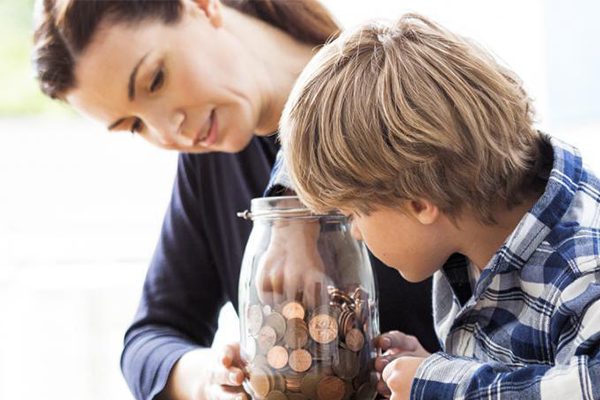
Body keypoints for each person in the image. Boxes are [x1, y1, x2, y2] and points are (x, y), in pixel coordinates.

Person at [32, 1, 440, 399]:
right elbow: (149, 340)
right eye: (134, 125)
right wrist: (209, 380)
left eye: (156, 79)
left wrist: (293, 206)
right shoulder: (211, 159)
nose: (169, 131)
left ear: (202, 7)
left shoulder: (407, 94)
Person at [280, 12, 600, 400]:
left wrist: (443, 385)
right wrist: (438, 367)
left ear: (418, 204)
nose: (357, 233)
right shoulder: (470, 233)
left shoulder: (583, 268)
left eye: (353, 214)